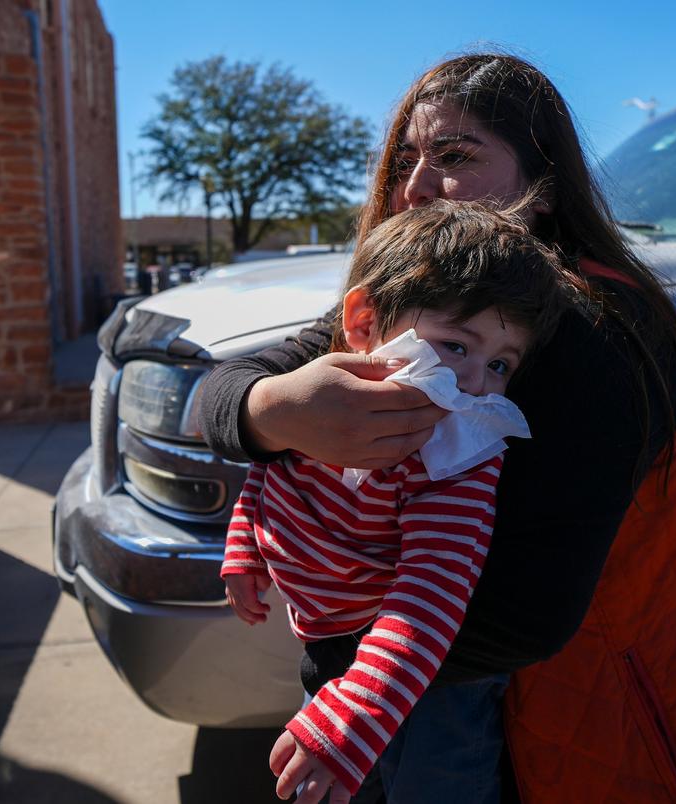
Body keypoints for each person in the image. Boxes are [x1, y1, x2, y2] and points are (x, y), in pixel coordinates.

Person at [200, 54, 676, 804]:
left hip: (602, 725)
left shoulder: (592, 330)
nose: (414, 187)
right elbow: (228, 392)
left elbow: (522, 616)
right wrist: (271, 410)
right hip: (439, 699)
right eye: (405, 161)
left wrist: (341, 666)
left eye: (454, 156)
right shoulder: (435, 289)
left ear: (545, 183)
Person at [221, 200, 570, 804]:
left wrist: (352, 716)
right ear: (364, 323)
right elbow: (273, 473)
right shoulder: (321, 399)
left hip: (418, 679)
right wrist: (245, 549)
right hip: (336, 663)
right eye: (455, 347)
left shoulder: (456, 453)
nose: (475, 384)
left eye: (499, 364)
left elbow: (430, 596)